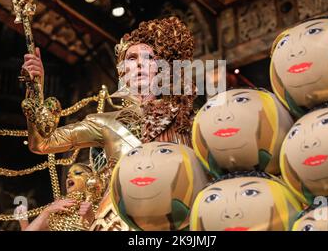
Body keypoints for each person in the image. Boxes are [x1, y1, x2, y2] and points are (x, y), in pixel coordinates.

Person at [22, 16, 196, 230]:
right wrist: (35, 89)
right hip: (118, 221)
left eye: (148, 58)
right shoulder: (103, 123)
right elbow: (41, 144)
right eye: (132, 58)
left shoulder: (183, 118)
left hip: (176, 219)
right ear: (123, 71)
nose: (140, 64)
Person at [14, 163, 97, 231]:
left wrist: (90, 218)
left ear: (90, 179)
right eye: (68, 175)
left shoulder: (97, 205)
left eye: (77, 173)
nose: (69, 177)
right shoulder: (57, 211)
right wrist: (46, 211)